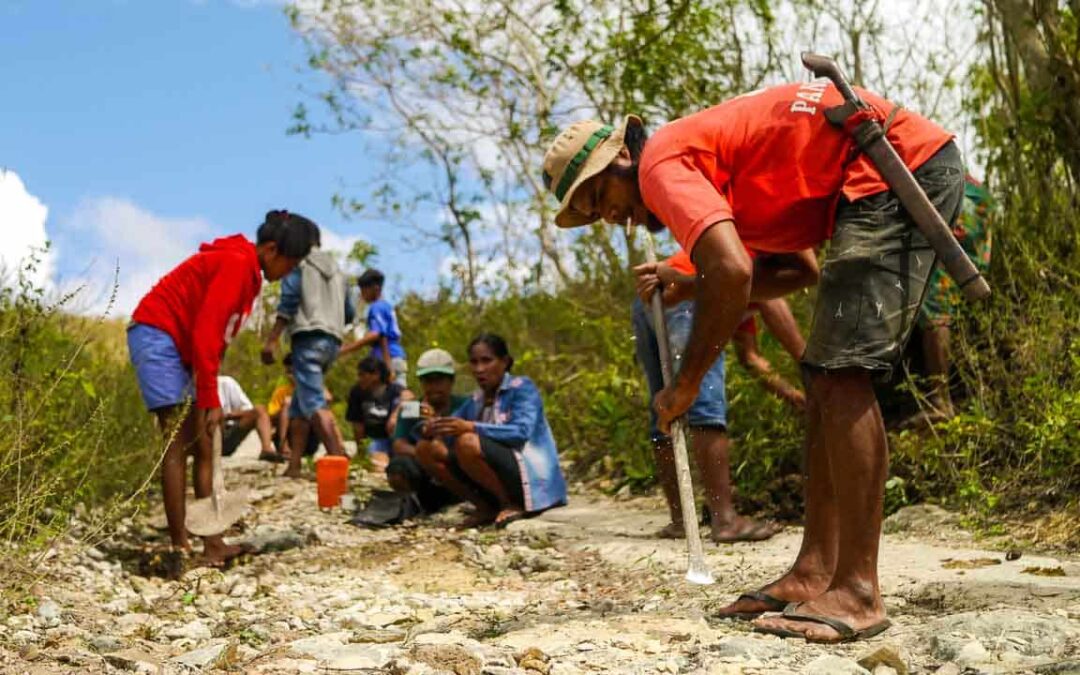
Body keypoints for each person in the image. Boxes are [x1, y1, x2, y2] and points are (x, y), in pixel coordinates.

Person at [542, 80, 962, 643]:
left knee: (840, 375)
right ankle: (815, 571)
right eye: (594, 215)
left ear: (620, 158)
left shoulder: (659, 164)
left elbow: (735, 274)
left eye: (598, 200)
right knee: (823, 376)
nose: (612, 218)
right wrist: (693, 284)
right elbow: (796, 273)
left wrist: (686, 383)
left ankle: (859, 591)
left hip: (893, 168)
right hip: (873, 181)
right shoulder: (712, 176)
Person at [127, 210, 315, 570]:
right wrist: (211, 399)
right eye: (290, 264)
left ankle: (213, 542)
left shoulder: (249, 274)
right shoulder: (235, 264)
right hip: (157, 335)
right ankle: (180, 547)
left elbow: (217, 341)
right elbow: (204, 335)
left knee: (207, 444)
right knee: (178, 442)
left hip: (183, 347)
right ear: (272, 250)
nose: (289, 273)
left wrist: (208, 392)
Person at [632, 250, 780, 543]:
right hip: (683, 290)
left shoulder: (740, 304)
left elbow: (752, 359)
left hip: (649, 297)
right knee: (705, 401)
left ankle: (680, 521)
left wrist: (794, 396)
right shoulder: (763, 270)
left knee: (663, 407)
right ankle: (724, 520)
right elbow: (776, 307)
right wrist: (809, 367)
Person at [415, 334, 568, 528]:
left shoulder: (522, 388)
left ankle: (511, 504)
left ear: (504, 362)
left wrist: (471, 427)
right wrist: (432, 426)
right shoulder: (476, 399)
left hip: (528, 473)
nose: (480, 369)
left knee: (467, 442)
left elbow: (520, 432)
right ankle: (485, 507)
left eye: (487, 361)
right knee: (425, 448)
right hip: (500, 470)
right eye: (474, 362)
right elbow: (451, 425)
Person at [262, 225, 354, 479]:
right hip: (332, 340)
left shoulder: (299, 264)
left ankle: (338, 469)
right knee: (300, 406)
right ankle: (294, 465)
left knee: (314, 404)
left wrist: (272, 340)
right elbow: (349, 312)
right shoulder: (338, 270)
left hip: (308, 338)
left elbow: (289, 301)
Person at [904, 175, 993, 427]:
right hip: (971, 196)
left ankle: (941, 403)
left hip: (956, 198)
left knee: (934, 292)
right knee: (943, 286)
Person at [385, 348, 468, 514]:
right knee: (397, 468)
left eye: (440, 380)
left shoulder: (465, 405)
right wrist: (425, 454)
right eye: (428, 381)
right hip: (424, 472)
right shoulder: (411, 409)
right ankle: (416, 502)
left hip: (456, 468)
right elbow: (399, 444)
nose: (434, 386)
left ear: (451, 381)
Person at [340, 269, 407, 387]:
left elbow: (379, 335)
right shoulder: (386, 306)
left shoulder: (376, 307)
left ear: (375, 289)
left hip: (388, 357)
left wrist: (347, 348)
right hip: (396, 356)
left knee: (393, 395)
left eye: (364, 290)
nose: (362, 294)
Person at [346, 356, 410, 471]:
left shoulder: (393, 389)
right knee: (377, 463)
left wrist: (395, 416)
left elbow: (409, 397)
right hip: (376, 439)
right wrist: (361, 452)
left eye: (362, 375)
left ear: (376, 375)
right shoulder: (357, 393)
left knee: (407, 406)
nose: (359, 379)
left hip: (396, 437)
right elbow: (357, 426)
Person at [266, 353, 320, 459]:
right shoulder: (281, 392)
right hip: (287, 436)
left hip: (309, 440)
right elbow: (270, 416)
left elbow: (327, 400)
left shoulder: (313, 388)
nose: (290, 376)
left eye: (293, 372)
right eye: (288, 372)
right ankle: (283, 446)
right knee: (286, 405)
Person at [216, 375, 281, 462]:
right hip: (204, 434)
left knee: (259, 410)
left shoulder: (225, 383)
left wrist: (227, 415)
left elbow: (248, 409)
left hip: (227, 432)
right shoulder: (193, 386)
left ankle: (267, 449)